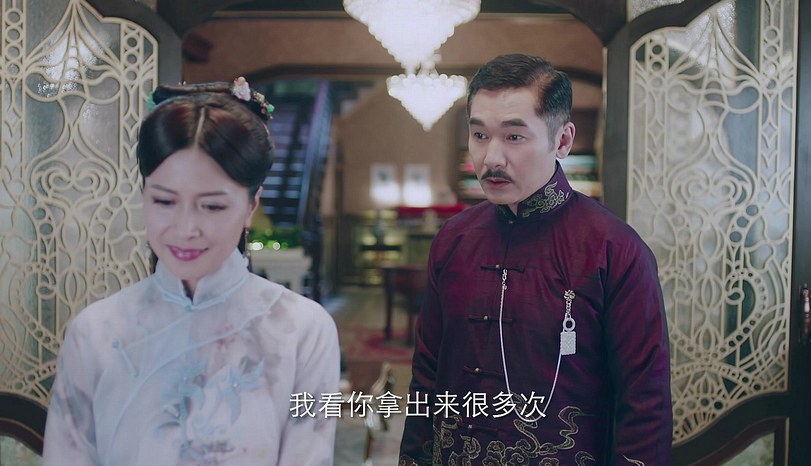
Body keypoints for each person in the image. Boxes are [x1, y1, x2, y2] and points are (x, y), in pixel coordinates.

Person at [42, 78, 340, 465]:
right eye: (164, 202)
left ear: (251, 206)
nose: (185, 229)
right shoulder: (95, 331)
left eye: (212, 206)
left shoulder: (303, 330)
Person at [399, 54, 672, 465]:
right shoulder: (453, 241)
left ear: (562, 141)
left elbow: (644, 402)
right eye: (479, 135)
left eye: (514, 136)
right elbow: (426, 376)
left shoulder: (614, 250)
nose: (491, 158)